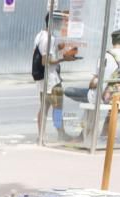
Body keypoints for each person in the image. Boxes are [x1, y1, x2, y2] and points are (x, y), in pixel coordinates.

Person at [34, 12, 79, 142]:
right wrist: (65, 59)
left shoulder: (40, 35)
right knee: (58, 108)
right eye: (60, 22)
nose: (62, 24)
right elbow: (45, 61)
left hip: (43, 80)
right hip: (52, 80)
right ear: (54, 22)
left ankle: (41, 136)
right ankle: (61, 134)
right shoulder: (49, 38)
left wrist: (60, 47)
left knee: (44, 108)